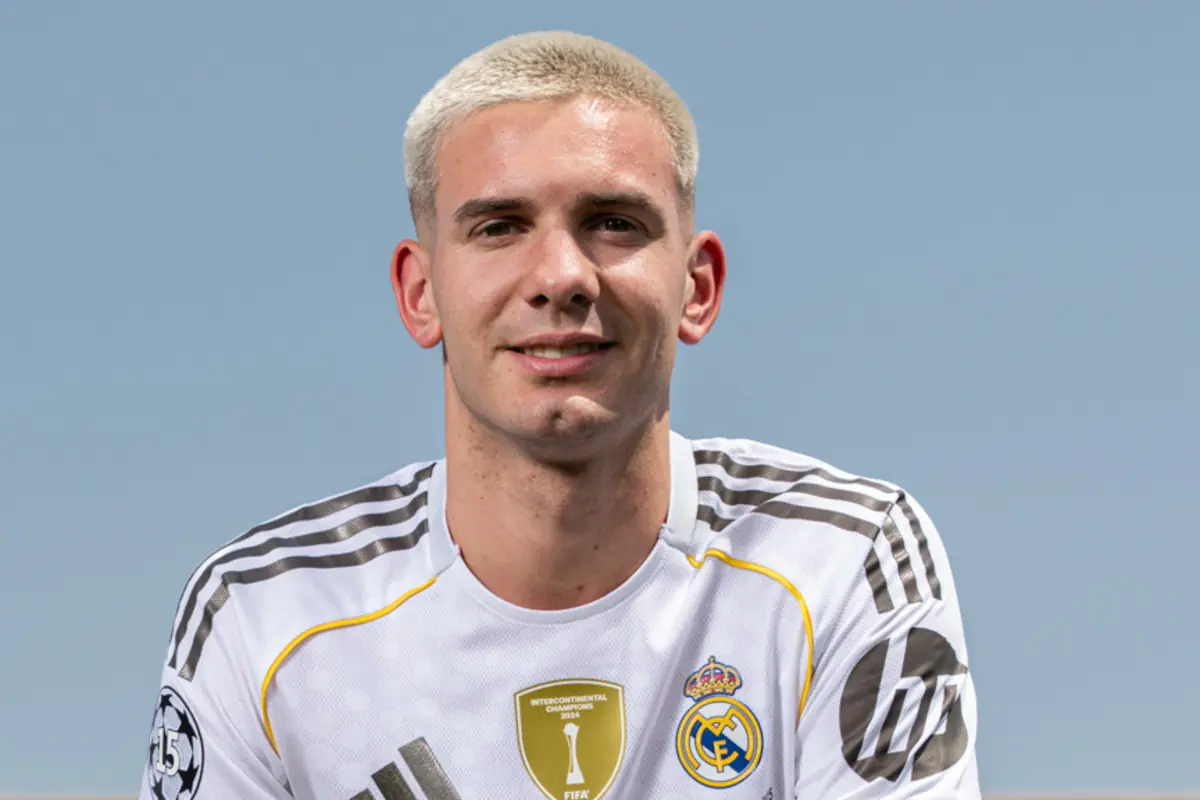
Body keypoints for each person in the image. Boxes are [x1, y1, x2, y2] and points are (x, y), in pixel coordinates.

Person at [139, 31, 979, 800]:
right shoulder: (262, 616)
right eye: (499, 227)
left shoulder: (842, 561)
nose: (562, 275)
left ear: (699, 286)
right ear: (420, 292)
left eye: (612, 223)